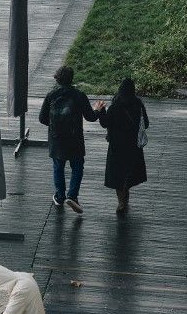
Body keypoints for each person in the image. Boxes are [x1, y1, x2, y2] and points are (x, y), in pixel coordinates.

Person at [38, 66, 100, 213]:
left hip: (56, 139)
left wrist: (55, 125)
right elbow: (90, 117)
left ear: (57, 79)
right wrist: (98, 109)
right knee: (77, 167)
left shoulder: (51, 95)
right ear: (72, 79)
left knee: (58, 167)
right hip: (75, 139)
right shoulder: (79, 95)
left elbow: (42, 119)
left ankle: (59, 196)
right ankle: (72, 196)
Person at [97, 78, 149, 215]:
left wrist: (101, 110)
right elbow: (146, 124)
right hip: (133, 146)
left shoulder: (115, 106)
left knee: (118, 174)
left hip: (117, 145)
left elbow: (105, 123)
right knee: (129, 172)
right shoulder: (138, 104)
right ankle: (125, 199)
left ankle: (121, 202)